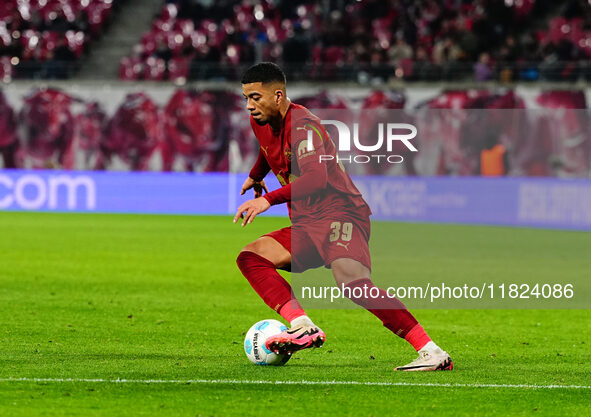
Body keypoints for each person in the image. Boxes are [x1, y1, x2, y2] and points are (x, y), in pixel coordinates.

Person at [234, 62, 453, 371]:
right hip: (307, 222)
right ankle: (302, 324)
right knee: (251, 257)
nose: (249, 106)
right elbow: (267, 149)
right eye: (245, 98)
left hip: (341, 213)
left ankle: (432, 352)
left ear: (278, 95)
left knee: (352, 282)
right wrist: (257, 176)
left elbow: (316, 178)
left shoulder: (304, 126)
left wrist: (267, 200)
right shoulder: (262, 121)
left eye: (255, 97)